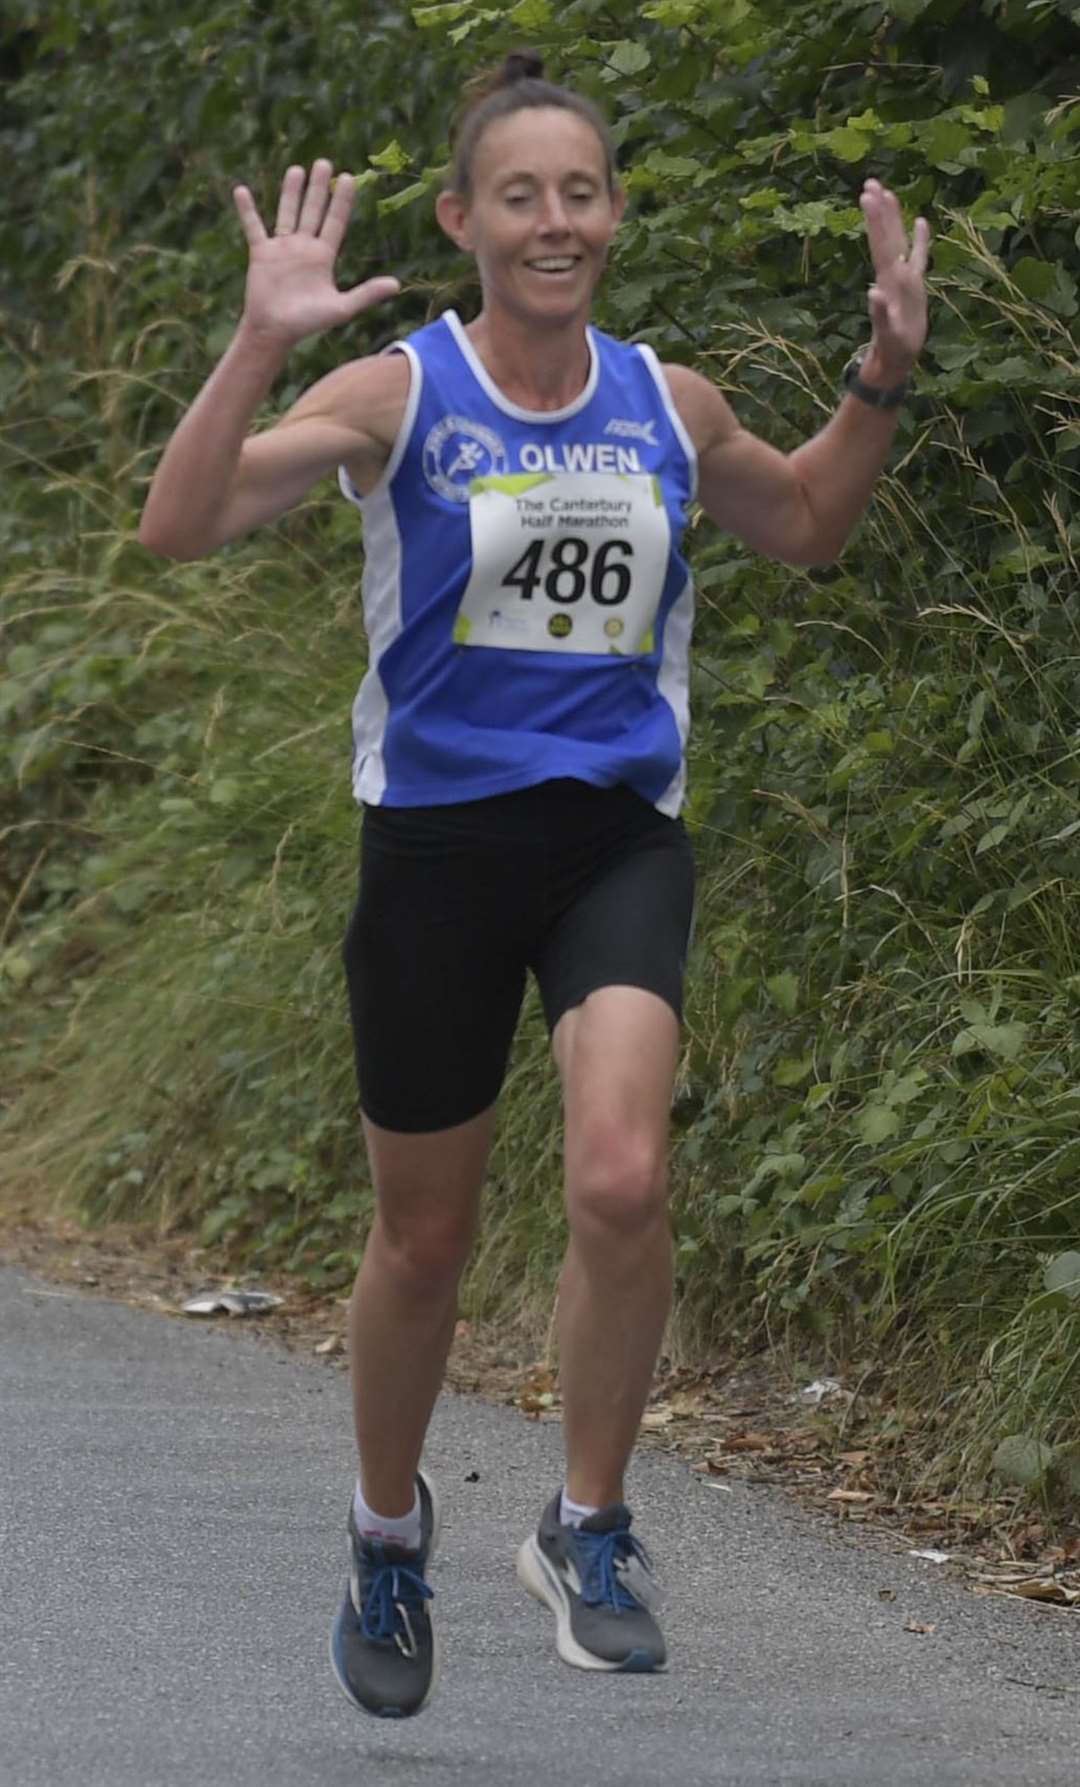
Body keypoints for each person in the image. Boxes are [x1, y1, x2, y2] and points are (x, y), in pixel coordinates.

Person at [139, 50, 929, 1718]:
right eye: (520, 196)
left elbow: (802, 528)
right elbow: (181, 526)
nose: (552, 221)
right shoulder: (400, 396)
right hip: (432, 853)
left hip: (609, 842)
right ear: (463, 218)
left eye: (580, 193)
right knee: (422, 1247)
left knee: (624, 1179)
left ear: (616, 217)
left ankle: (588, 1525)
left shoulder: (669, 400)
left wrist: (881, 374)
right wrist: (261, 341)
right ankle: (385, 1533)